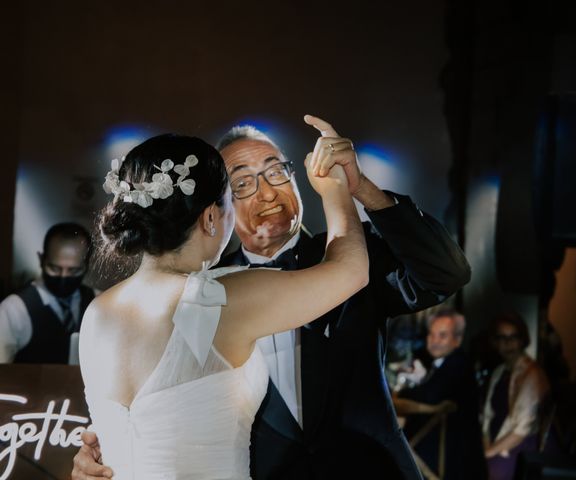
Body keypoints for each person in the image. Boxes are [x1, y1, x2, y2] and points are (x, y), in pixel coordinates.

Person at [73, 115, 471, 480]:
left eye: (276, 172)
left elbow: (447, 273)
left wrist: (360, 187)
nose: (265, 193)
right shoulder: (212, 292)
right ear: (212, 211)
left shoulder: (356, 250)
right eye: (242, 183)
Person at [79, 130, 369, 479]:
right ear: (210, 217)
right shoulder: (219, 298)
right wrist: (335, 188)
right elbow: (351, 270)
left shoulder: (97, 313)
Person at [395, 309, 487, 480]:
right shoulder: (440, 363)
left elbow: (428, 396)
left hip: (452, 461)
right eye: (432, 334)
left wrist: (406, 392)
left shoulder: (457, 364)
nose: (434, 341)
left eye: (442, 335)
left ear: (457, 340)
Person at [0, 222, 95, 363]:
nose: (64, 277)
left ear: (87, 266)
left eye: (74, 270)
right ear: (41, 260)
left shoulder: (97, 302)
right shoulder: (14, 309)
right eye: (55, 268)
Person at [482, 311, 550, 480]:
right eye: (502, 338)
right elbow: (487, 416)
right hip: (495, 443)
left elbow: (521, 430)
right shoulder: (499, 372)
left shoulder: (532, 374)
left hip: (519, 448)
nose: (507, 344)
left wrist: (488, 453)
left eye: (513, 337)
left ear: (522, 340)